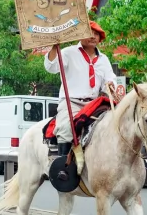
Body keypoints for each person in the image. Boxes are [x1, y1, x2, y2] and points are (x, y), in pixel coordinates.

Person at [44, 21, 117, 181]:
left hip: (95, 103)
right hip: (71, 103)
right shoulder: (69, 52)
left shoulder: (104, 59)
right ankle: (64, 167)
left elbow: (111, 78)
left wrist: (112, 84)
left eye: (96, 34)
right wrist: (54, 47)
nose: (93, 36)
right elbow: (51, 67)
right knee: (65, 128)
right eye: (89, 32)